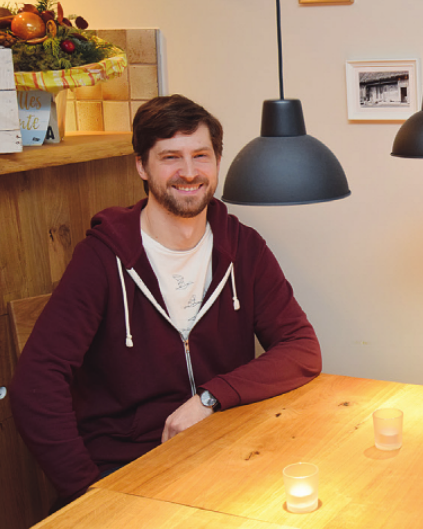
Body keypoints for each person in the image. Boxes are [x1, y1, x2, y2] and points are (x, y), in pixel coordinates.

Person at [11, 94, 322, 504]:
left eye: (201, 155)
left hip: (223, 448)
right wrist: (86, 491)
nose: (189, 172)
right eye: (171, 157)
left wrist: (209, 398)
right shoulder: (103, 258)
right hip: (129, 462)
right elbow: (35, 383)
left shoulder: (241, 246)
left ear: (217, 160)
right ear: (141, 164)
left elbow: (301, 348)